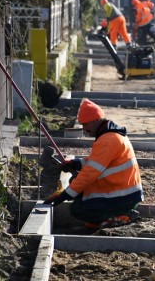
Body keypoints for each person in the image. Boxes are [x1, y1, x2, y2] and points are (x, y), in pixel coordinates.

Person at [44, 98, 143, 229]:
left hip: (123, 198)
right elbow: (97, 161)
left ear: (96, 120)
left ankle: (121, 217)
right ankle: (100, 222)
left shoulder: (108, 140)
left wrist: (64, 195)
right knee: (79, 192)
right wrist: (76, 164)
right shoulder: (110, 135)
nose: (85, 129)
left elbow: (90, 173)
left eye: (86, 124)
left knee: (78, 208)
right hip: (125, 195)